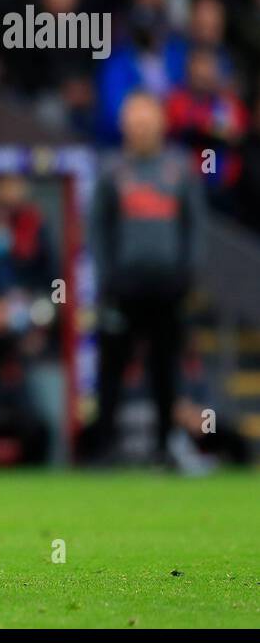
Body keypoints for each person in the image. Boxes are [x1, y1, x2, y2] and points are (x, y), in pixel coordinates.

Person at [86, 92, 206, 465]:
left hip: (167, 287)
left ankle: (166, 445)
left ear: (161, 123)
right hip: (124, 286)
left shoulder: (180, 168)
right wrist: (107, 276)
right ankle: (103, 447)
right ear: (123, 125)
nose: (139, 127)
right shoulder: (111, 169)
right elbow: (97, 228)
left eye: (146, 119)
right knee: (112, 367)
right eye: (133, 120)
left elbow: (195, 226)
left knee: (166, 368)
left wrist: (189, 274)